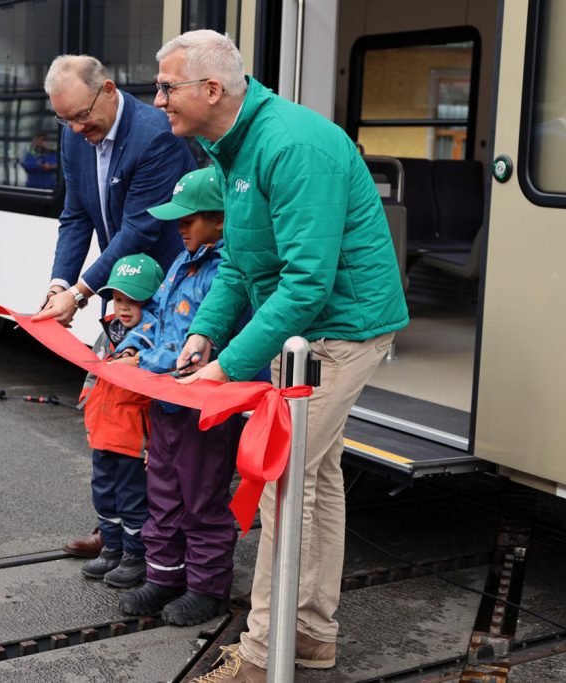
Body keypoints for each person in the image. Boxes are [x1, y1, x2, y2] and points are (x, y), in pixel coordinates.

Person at [155, 31, 409, 680]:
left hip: (339, 331)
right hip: (304, 335)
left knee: (279, 484)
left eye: (166, 87)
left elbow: (305, 283)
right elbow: (239, 261)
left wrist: (227, 365)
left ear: (212, 90)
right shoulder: (232, 146)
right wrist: (202, 334)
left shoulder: (291, 145)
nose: (157, 100)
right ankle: (314, 636)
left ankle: (263, 656)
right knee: (315, 479)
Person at [32, 54, 196, 559]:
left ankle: (167, 541)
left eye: (82, 116)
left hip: (170, 294)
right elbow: (75, 215)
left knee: (162, 425)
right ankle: (120, 532)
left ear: (107, 89)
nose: (77, 129)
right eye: (65, 120)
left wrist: (80, 293)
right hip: (124, 295)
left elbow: (142, 230)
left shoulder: (155, 135)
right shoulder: (73, 134)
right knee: (117, 419)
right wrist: (58, 281)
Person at [110, 167, 243, 627]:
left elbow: (196, 340)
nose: (179, 228)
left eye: (189, 221)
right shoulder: (179, 263)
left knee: (202, 499)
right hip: (165, 406)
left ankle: (207, 589)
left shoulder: (228, 270)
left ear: (220, 220)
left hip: (203, 409)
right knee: (162, 493)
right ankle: (165, 576)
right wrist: (132, 347)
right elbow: (157, 319)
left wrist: (142, 365)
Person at [78, 253, 165, 588]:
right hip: (103, 432)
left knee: (132, 499)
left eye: (134, 300)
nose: (124, 307)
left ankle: (134, 555)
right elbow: (92, 372)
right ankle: (112, 548)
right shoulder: (109, 329)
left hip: (132, 439)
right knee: (104, 494)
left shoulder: (153, 337)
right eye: (118, 299)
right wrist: (86, 405)